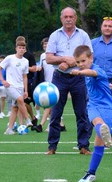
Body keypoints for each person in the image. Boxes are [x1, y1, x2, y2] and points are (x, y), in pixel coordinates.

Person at [45, 7, 92, 155]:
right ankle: (52, 146)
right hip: (59, 78)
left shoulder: (83, 35)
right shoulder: (55, 35)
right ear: (61, 19)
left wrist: (73, 63)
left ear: (75, 18)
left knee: (82, 113)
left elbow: (89, 58)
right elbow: (49, 58)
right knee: (56, 113)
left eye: (71, 16)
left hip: (79, 78)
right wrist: (64, 59)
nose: (68, 19)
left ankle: (83, 146)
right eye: (65, 17)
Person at [70, 45, 112, 182]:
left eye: (83, 61)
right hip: (97, 106)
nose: (80, 65)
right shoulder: (88, 71)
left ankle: (102, 131)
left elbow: (93, 73)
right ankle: (91, 173)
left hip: (105, 108)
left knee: (98, 136)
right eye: (78, 62)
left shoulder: (96, 69)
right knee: (97, 139)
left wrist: (79, 72)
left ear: (91, 58)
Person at [0, 37, 29, 135]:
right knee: (20, 100)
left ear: (25, 50)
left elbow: (25, 77)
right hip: (10, 86)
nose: (21, 49)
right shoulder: (10, 58)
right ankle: (28, 120)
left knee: (15, 108)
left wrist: (26, 90)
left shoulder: (26, 61)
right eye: (19, 47)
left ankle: (9, 129)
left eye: (23, 48)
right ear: (16, 48)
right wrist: (3, 80)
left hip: (20, 87)